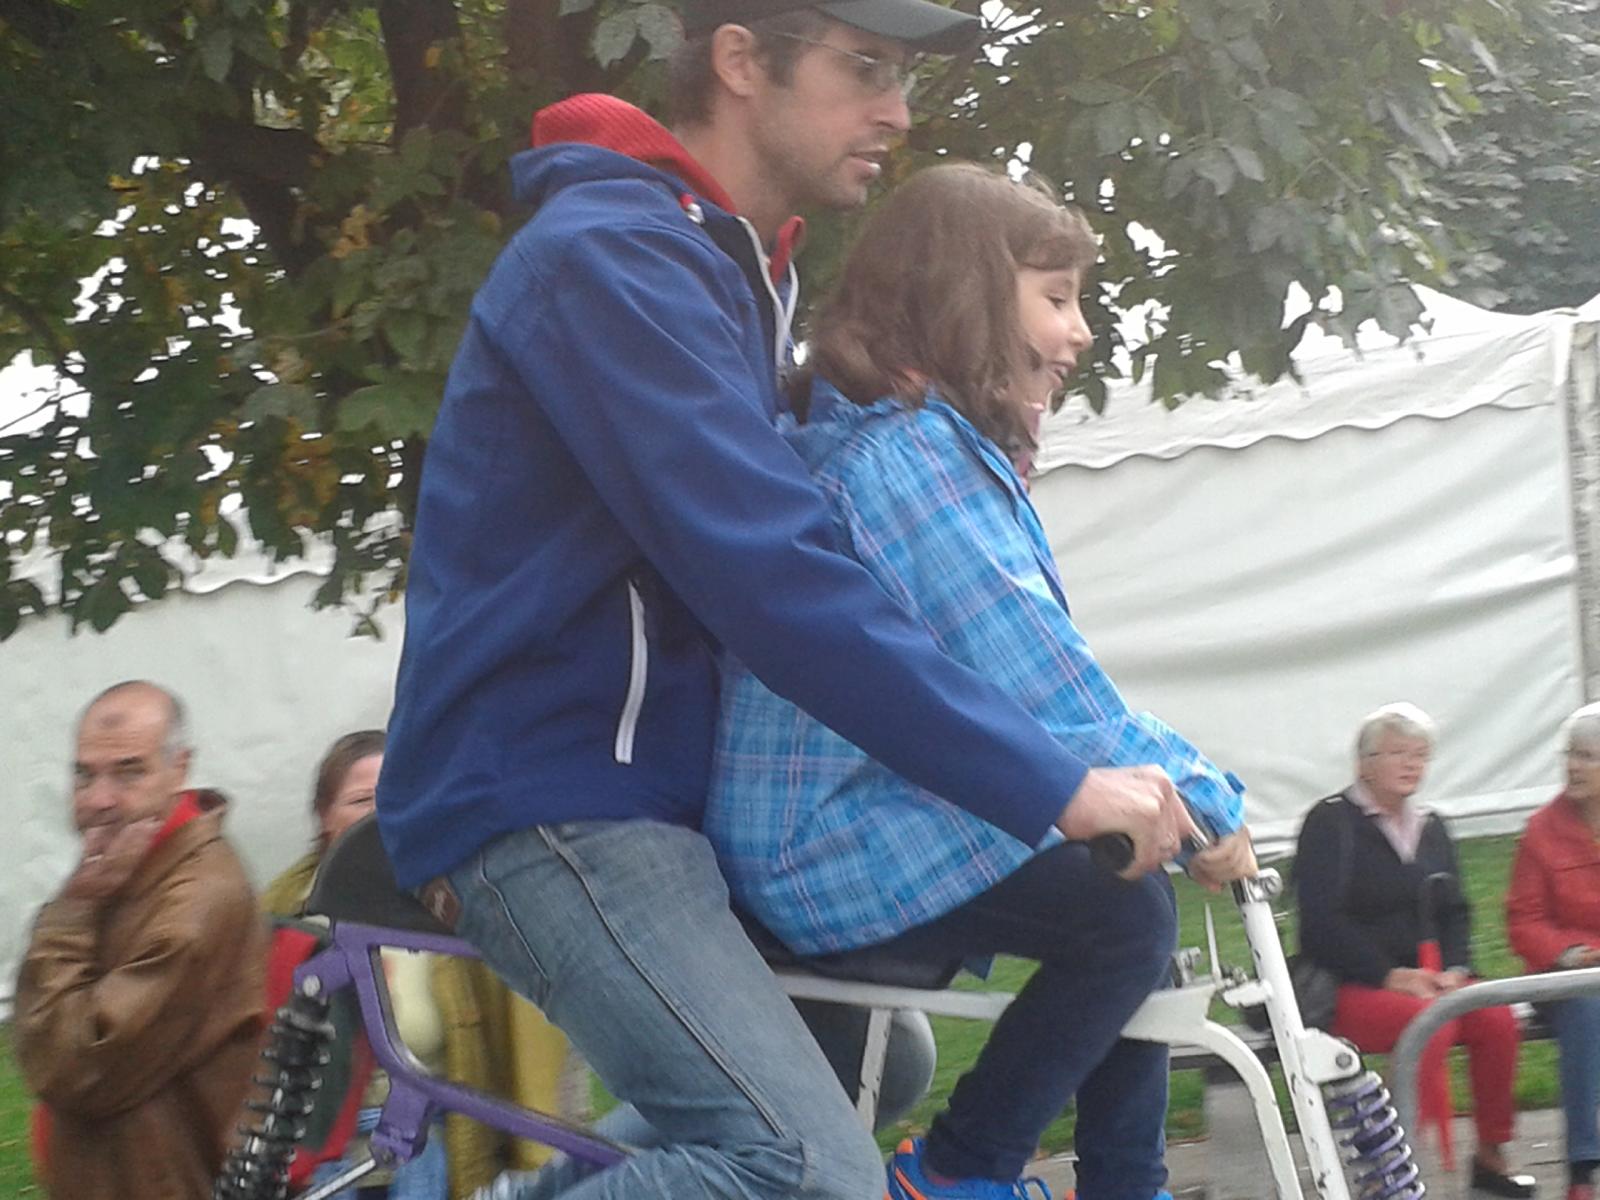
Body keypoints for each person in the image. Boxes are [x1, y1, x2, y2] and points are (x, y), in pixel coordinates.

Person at [377, 4, 1200, 1200]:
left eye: (903, 78)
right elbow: (773, 575)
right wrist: (1052, 782)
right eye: (863, 68)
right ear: (739, 60)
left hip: (663, 803)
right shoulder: (613, 258)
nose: (896, 113)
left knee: (885, 1068)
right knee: (804, 1171)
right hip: (553, 796)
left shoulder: (731, 269)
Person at [702, 163, 1253, 1200]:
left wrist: (1152, 796)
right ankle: (958, 1173)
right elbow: (1037, 678)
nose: (1079, 332)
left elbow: (1018, 688)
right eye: (1057, 298)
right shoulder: (907, 460)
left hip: (853, 811)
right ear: (967, 299)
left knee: (1123, 876)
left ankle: (1119, 1184)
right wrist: (1204, 796)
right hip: (822, 838)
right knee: (1125, 913)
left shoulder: (903, 443)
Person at [262, 731, 582, 1199]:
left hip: (426, 1140)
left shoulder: (458, 907)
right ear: (323, 817)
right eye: (361, 800)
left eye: (394, 798)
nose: (379, 815)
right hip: (315, 1147)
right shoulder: (282, 912)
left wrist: (534, 1162)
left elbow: (530, 1054)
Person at [12, 681, 266, 1200]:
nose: (99, 799)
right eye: (84, 775)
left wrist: (71, 913)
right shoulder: (128, 865)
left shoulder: (196, 901)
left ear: (179, 769)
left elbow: (74, 1066)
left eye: (129, 772)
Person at [1295, 702, 1533, 1197]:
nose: (1412, 764)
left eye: (1421, 755)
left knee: (1497, 1018)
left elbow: (1455, 911)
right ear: (1364, 763)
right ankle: (1390, 1168)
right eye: (1399, 753)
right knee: (1429, 1025)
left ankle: (1491, 1157)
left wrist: (1456, 968)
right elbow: (1321, 925)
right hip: (1353, 985)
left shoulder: (1432, 825)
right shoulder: (1330, 823)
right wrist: (1390, 976)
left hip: (1431, 977)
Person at [1507, 702, 1600, 1200]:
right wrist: (1569, 954)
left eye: (1587, 757)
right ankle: (1582, 1170)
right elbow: (1523, 922)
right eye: (1570, 755)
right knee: (1587, 1008)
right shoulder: (1542, 830)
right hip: (1563, 976)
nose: (1573, 767)